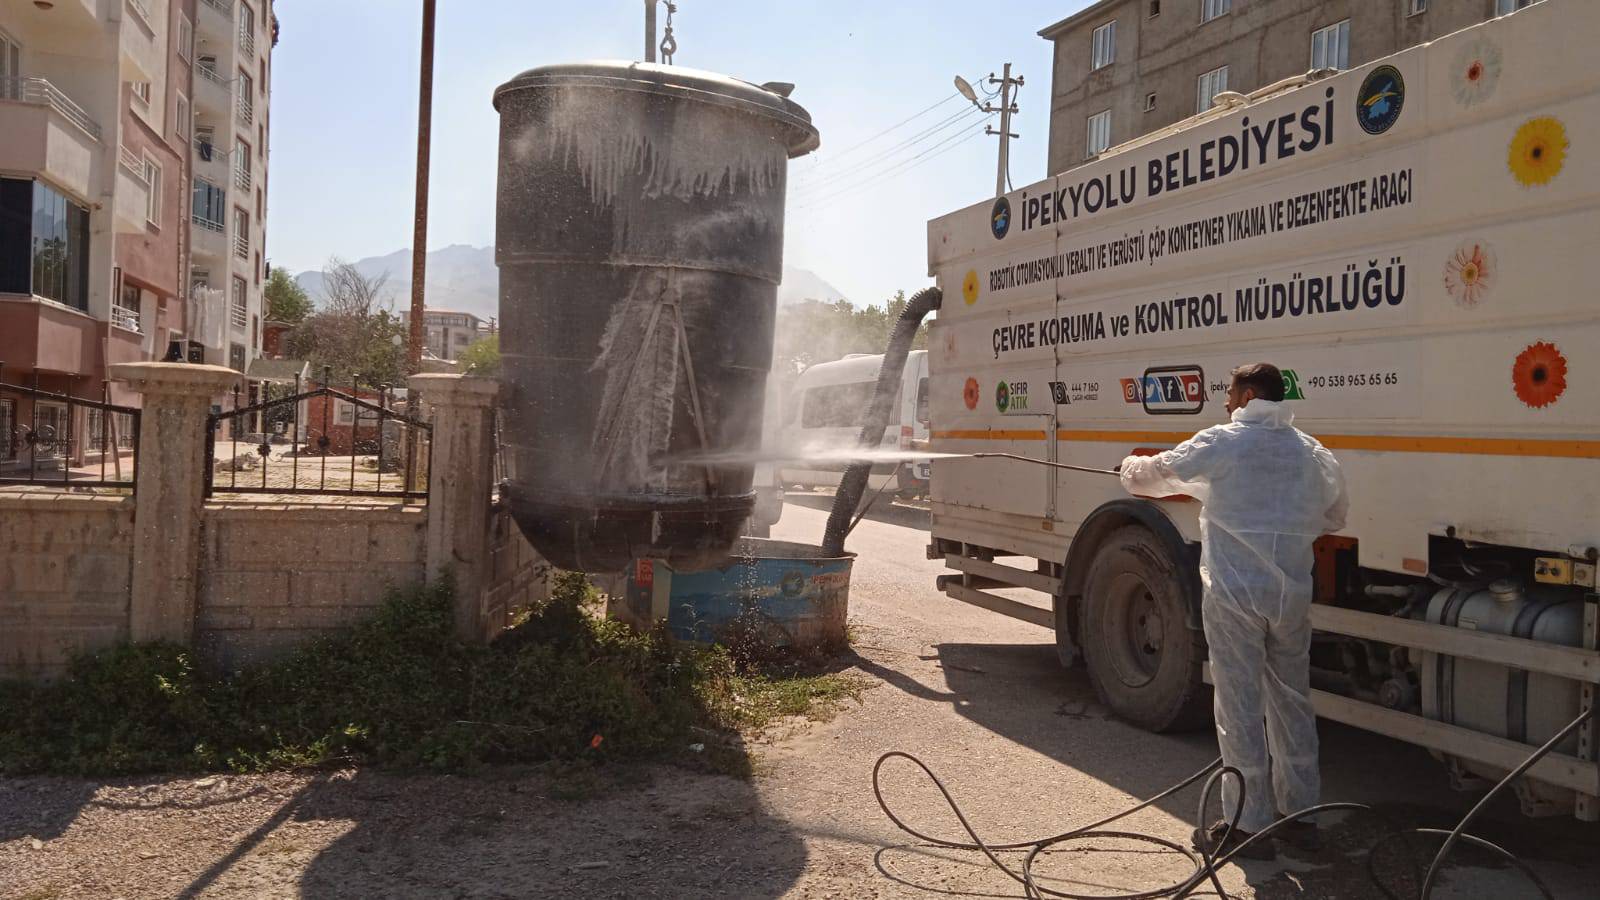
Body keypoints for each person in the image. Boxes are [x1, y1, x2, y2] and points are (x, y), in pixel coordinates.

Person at [1119, 363, 1348, 861]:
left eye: (1228, 392)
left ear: (1247, 394)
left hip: (1234, 595)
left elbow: (1155, 475)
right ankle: (1300, 818)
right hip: (1290, 598)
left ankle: (1245, 826)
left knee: (1239, 705)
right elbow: (1333, 514)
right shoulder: (1312, 453)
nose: (1224, 402)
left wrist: (1128, 469)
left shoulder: (1224, 440)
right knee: (1292, 702)